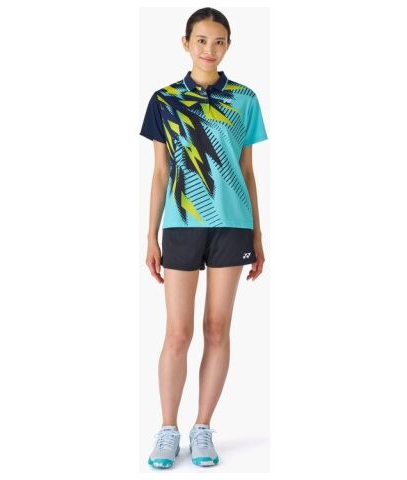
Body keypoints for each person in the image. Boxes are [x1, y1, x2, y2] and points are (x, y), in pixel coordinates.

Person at [139, 7, 268, 469]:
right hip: (181, 224)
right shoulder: (165, 100)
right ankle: (167, 429)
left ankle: (202, 427)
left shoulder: (245, 99)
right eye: (201, 40)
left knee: (217, 328)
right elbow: (160, 173)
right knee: (178, 332)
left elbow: (247, 171)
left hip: (232, 225)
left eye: (218, 42)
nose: (209, 50)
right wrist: (150, 236)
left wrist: (258, 234)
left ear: (228, 46)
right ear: (186, 43)